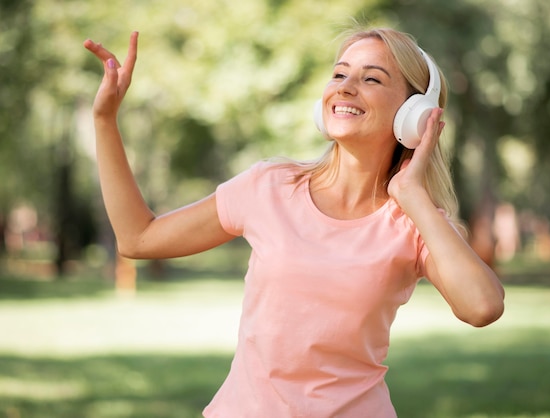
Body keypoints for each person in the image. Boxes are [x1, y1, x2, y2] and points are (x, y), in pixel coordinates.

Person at [83, 25, 504, 418]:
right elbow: (138, 238)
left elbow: (482, 307)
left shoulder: (414, 221)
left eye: (371, 79)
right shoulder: (270, 186)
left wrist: (412, 195)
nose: (346, 87)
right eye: (340, 74)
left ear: (413, 113)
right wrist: (104, 121)